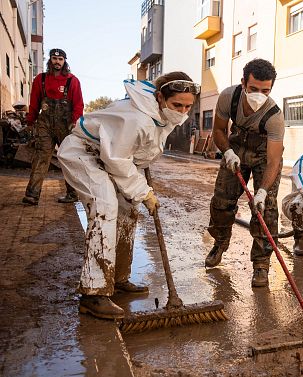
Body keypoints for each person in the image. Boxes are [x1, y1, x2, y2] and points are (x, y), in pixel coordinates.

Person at [57, 73, 199, 319]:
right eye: (177, 105)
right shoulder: (138, 118)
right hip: (83, 153)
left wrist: (139, 185)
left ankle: (118, 278)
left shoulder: (162, 116)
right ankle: (94, 293)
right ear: (160, 97)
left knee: (127, 210)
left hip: (109, 157)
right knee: (105, 206)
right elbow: (118, 160)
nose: (183, 111)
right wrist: (144, 192)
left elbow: (138, 152)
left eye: (188, 106)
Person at [204, 59, 285, 288]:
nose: (259, 95)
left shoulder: (274, 117)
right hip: (236, 148)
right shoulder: (229, 97)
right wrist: (227, 152)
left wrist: (261, 192)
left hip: (262, 155)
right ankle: (220, 242)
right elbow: (218, 130)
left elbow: (274, 160)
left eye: (265, 90)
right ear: (243, 83)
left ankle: (261, 263)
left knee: (266, 209)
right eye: (254, 89)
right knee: (221, 201)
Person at [23, 48, 84, 205]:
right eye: (54, 59)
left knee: (67, 159)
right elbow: (34, 102)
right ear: (50, 60)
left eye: (60, 59)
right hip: (45, 125)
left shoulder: (72, 81)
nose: (57, 62)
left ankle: (72, 194)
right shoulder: (40, 80)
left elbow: (78, 105)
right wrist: (30, 122)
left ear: (65, 62)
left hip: (66, 126)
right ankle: (32, 195)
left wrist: (74, 122)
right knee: (41, 158)